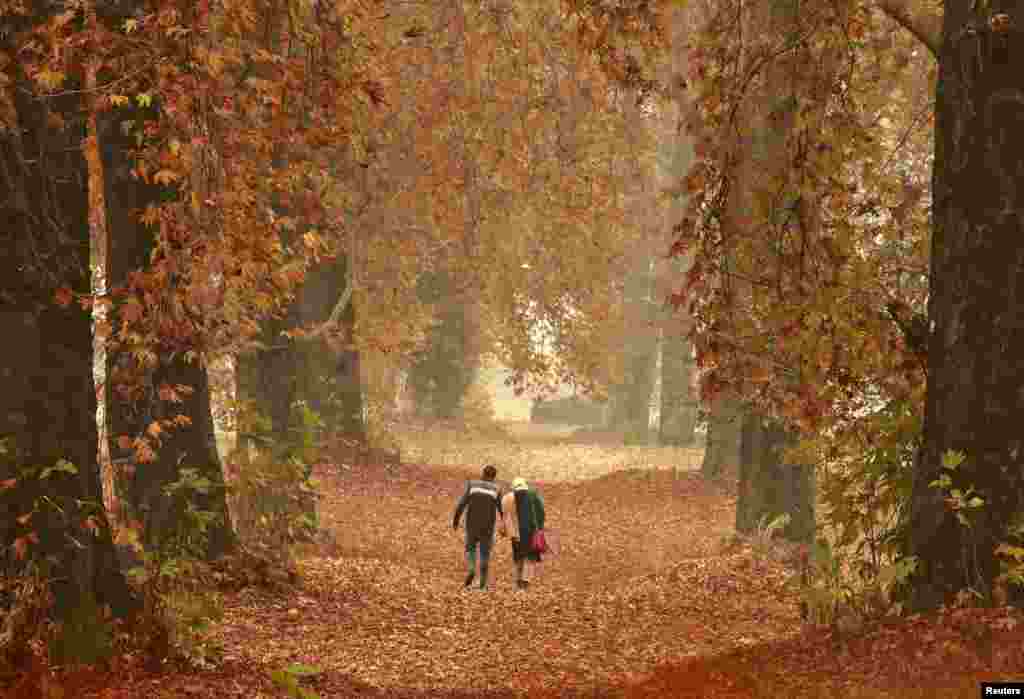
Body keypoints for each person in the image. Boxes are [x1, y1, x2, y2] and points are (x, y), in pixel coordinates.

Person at [452, 464, 502, 590]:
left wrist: (456, 520)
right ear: (494, 477)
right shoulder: (496, 489)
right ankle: (483, 585)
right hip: (488, 527)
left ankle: (471, 568)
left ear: (482, 474)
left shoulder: (472, 485)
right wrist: (506, 525)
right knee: (485, 553)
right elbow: (502, 510)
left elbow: (461, 504)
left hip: (472, 524)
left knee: (471, 548)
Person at [499, 476, 545, 590]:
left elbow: (504, 516)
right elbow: (541, 512)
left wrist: (504, 529)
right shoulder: (533, 495)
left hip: (515, 533)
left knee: (518, 556)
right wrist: (540, 527)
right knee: (530, 557)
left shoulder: (507, 498)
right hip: (531, 531)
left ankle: (518, 580)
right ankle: (525, 581)